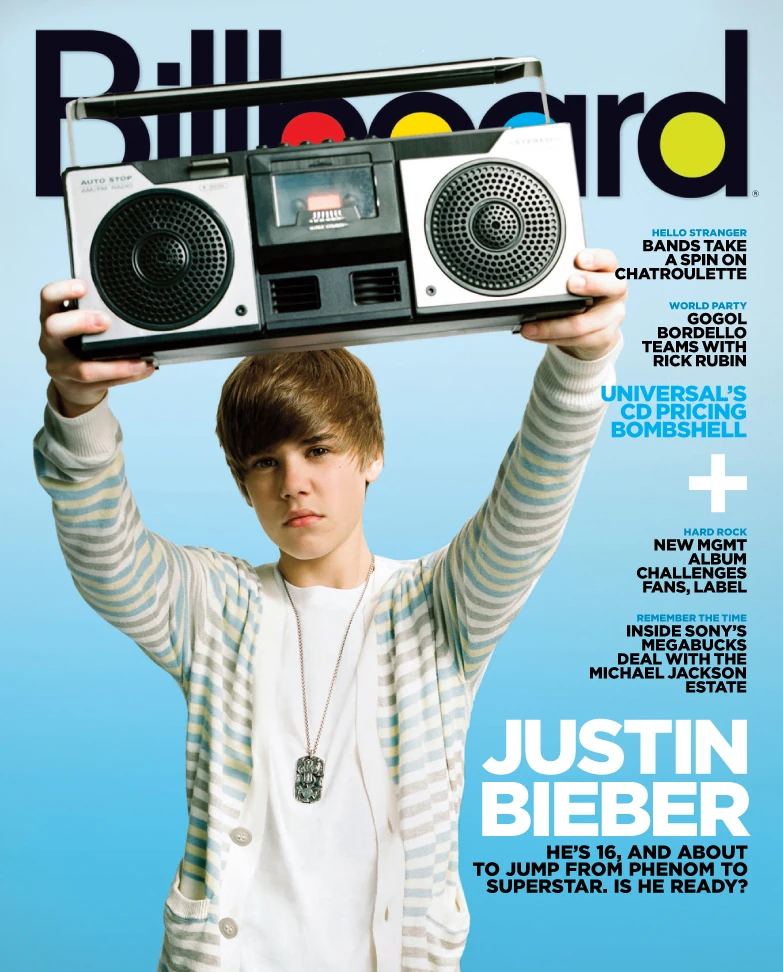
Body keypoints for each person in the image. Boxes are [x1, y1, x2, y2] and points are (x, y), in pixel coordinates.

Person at [34, 248, 626, 972]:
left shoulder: (440, 604)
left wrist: (580, 364)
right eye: (265, 462)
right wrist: (78, 406)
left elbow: (532, 498)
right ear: (243, 483)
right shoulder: (214, 607)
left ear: (371, 454)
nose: (293, 482)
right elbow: (106, 555)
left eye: (318, 449)